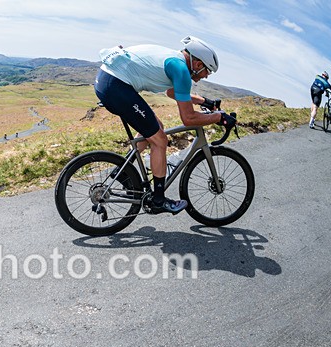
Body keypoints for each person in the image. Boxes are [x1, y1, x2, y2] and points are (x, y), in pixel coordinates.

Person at [94, 36, 235, 214]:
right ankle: (158, 200)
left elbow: (172, 92)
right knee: (160, 140)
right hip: (116, 86)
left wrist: (204, 101)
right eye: (207, 71)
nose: (206, 76)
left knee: (154, 127)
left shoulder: (175, 61)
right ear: (198, 65)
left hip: (108, 80)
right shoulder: (181, 70)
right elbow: (189, 119)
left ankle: (122, 172)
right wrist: (219, 118)